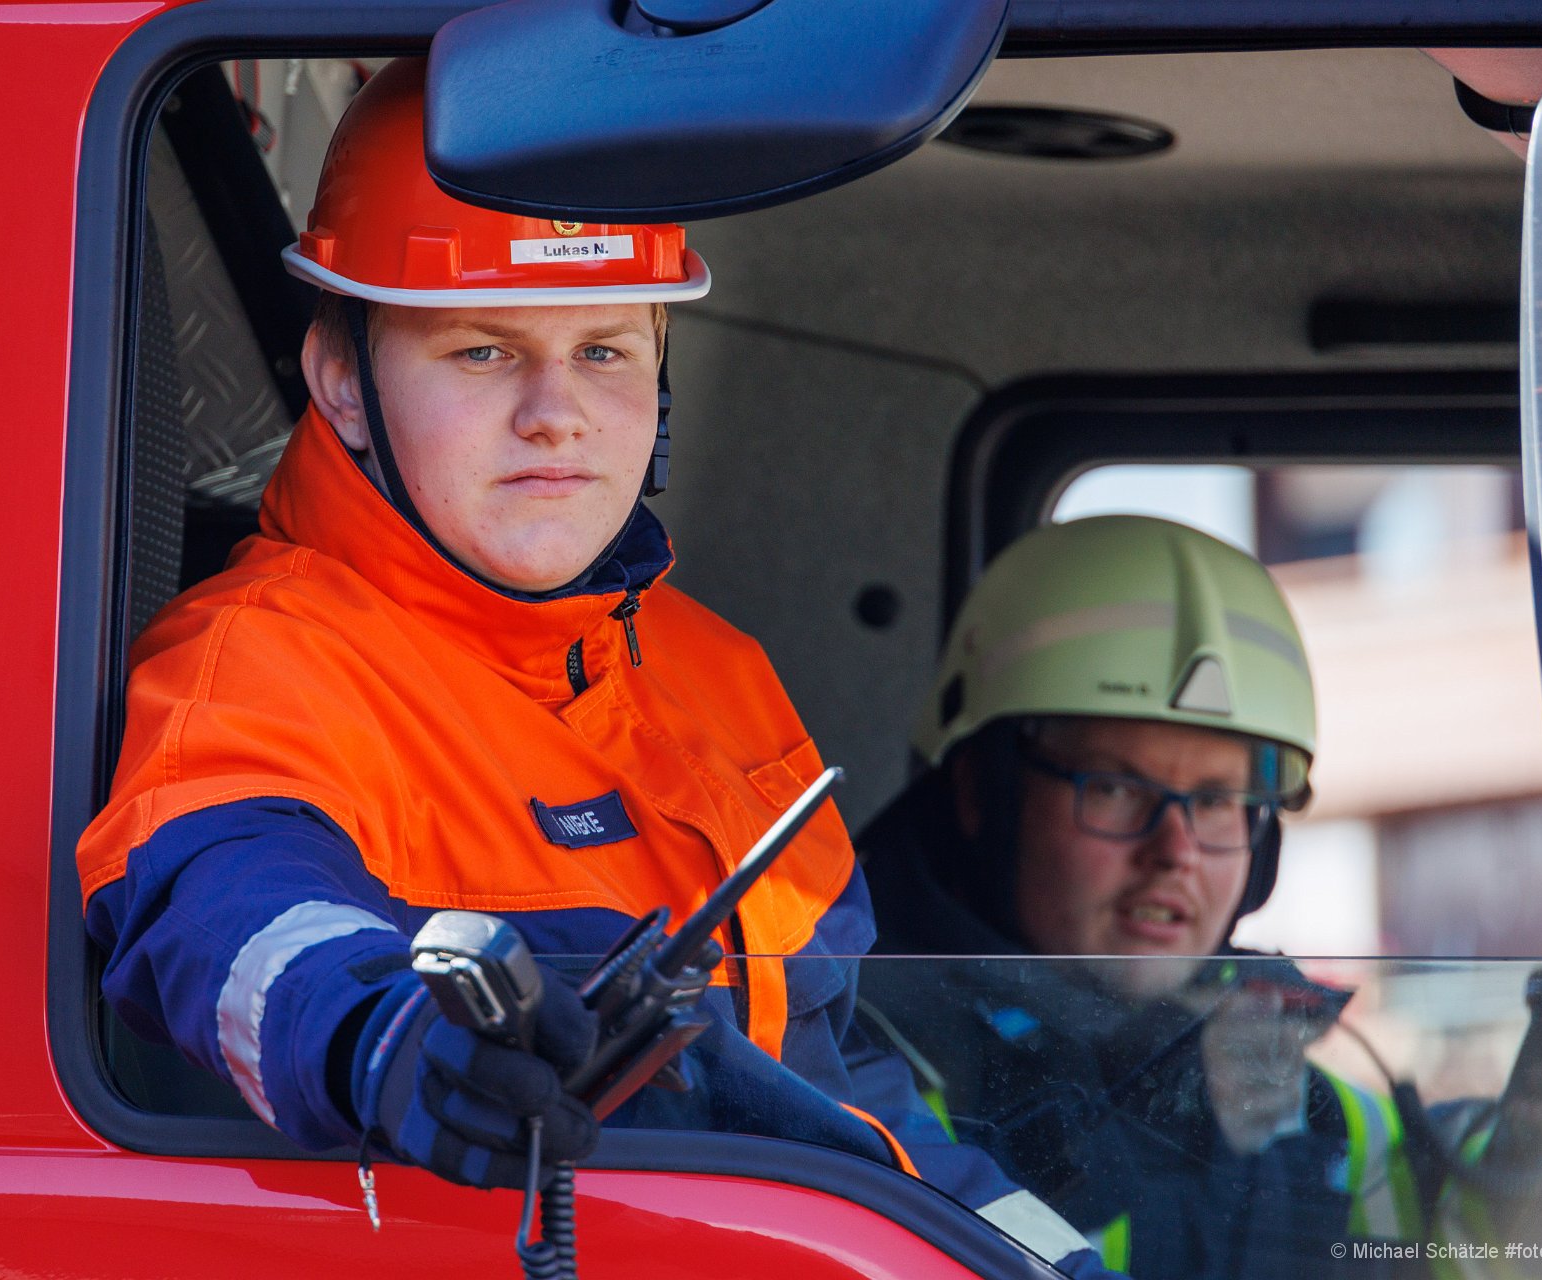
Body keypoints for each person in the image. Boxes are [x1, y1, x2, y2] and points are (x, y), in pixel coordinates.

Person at [75, 60, 1118, 1279]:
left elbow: (839, 1092)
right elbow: (230, 915)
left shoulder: (719, 671)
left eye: (606, 350)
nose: (554, 412)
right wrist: (384, 1034)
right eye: (482, 350)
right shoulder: (257, 659)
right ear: (344, 383)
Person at [859, 515, 1436, 1280]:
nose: (1176, 850)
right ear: (981, 794)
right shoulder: (858, 1087)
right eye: (1115, 787)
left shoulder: (1310, 1110)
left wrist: (1533, 1140)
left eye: (1217, 800)